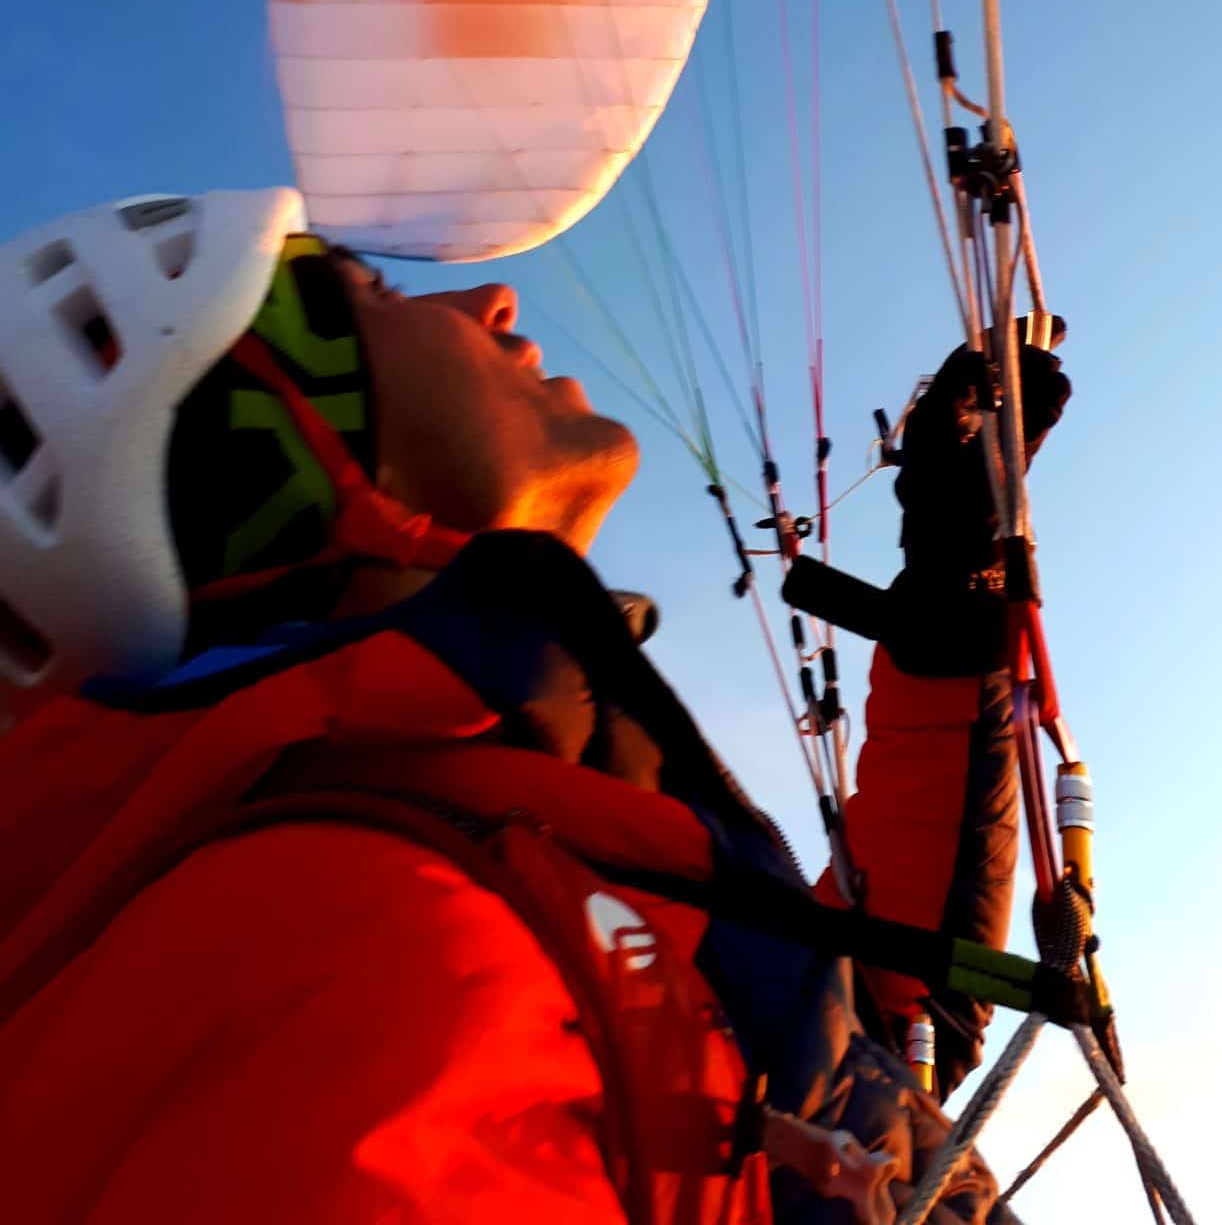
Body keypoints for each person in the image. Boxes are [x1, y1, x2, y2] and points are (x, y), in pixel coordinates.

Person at [0, 187, 1070, 1224]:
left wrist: (950, 578)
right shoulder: (334, 944)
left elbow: (881, 1009)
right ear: (272, 455)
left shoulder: (499, 837)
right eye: (370, 291)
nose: (491, 298)